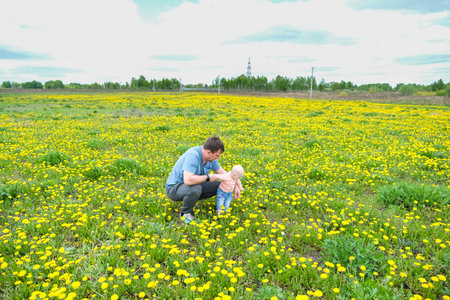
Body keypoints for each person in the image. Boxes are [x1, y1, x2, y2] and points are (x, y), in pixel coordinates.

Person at [166, 136, 240, 224]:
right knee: (195, 189)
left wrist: (236, 184)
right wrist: (208, 177)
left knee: (219, 185)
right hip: (174, 189)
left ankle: (195, 202)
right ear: (209, 152)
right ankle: (184, 214)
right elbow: (188, 180)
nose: (218, 158)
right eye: (217, 155)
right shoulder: (193, 156)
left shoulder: (211, 159)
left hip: (191, 186)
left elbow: (224, 174)